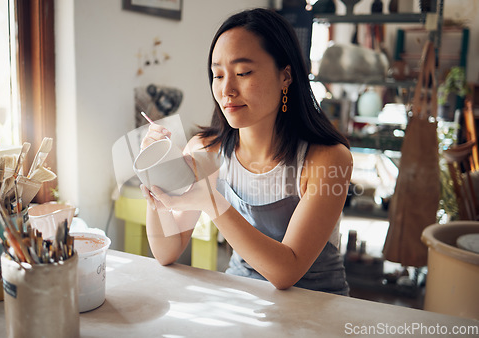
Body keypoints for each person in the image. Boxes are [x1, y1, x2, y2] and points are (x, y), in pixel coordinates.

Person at [140, 8, 352, 295]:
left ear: (285, 76)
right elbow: (167, 252)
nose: (227, 89)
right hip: (242, 300)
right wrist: (156, 176)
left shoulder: (328, 159)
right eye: (217, 75)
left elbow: (286, 271)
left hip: (317, 306)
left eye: (243, 72)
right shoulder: (206, 150)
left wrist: (213, 204)